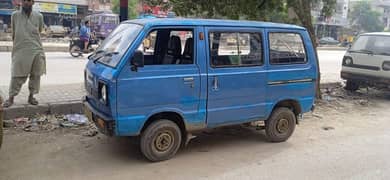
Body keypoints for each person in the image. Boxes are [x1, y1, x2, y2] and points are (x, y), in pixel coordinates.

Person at [3, 0, 46, 108]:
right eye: (25, 0)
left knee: (36, 74)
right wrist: (16, 47)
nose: (27, 2)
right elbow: (14, 32)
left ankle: (31, 96)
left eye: (29, 0)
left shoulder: (39, 16)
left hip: (36, 49)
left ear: (33, 2)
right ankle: (11, 97)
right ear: (22, 2)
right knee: (17, 74)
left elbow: (39, 31)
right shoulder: (15, 15)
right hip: (20, 48)